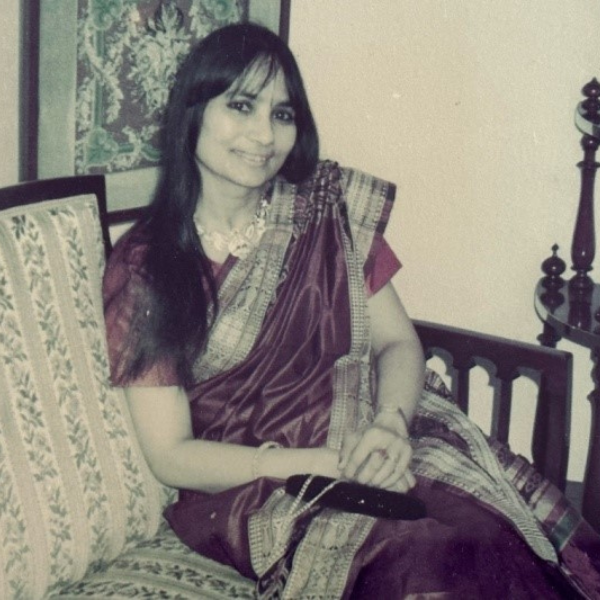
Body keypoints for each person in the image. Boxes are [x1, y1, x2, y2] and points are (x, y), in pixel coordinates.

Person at [103, 22, 600, 599]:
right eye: (241, 105)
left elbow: (397, 342)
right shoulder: (146, 264)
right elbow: (171, 456)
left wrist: (391, 424)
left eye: (283, 114)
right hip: (260, 480)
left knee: (493, 530)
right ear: (192, 111)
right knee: (426, 560)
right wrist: (323, 462)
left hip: (371, 436)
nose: (263, 135)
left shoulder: (325, 211)